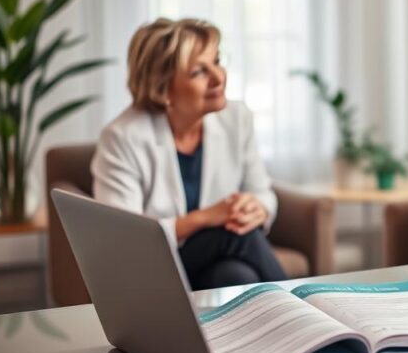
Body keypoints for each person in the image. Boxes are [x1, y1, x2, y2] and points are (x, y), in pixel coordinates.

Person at [92, 18, 286, 290]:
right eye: (199, 72)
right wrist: (206, 218)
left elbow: (263, 192)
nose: (219, 77)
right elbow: (126, 240)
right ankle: (313, 319)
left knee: (237, 277)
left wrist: (257, 209)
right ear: (163, 87)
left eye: (217, 61)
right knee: (237, 237)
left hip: (209, 263)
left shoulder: (236, 118)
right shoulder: (123, 137)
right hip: (152, 267)